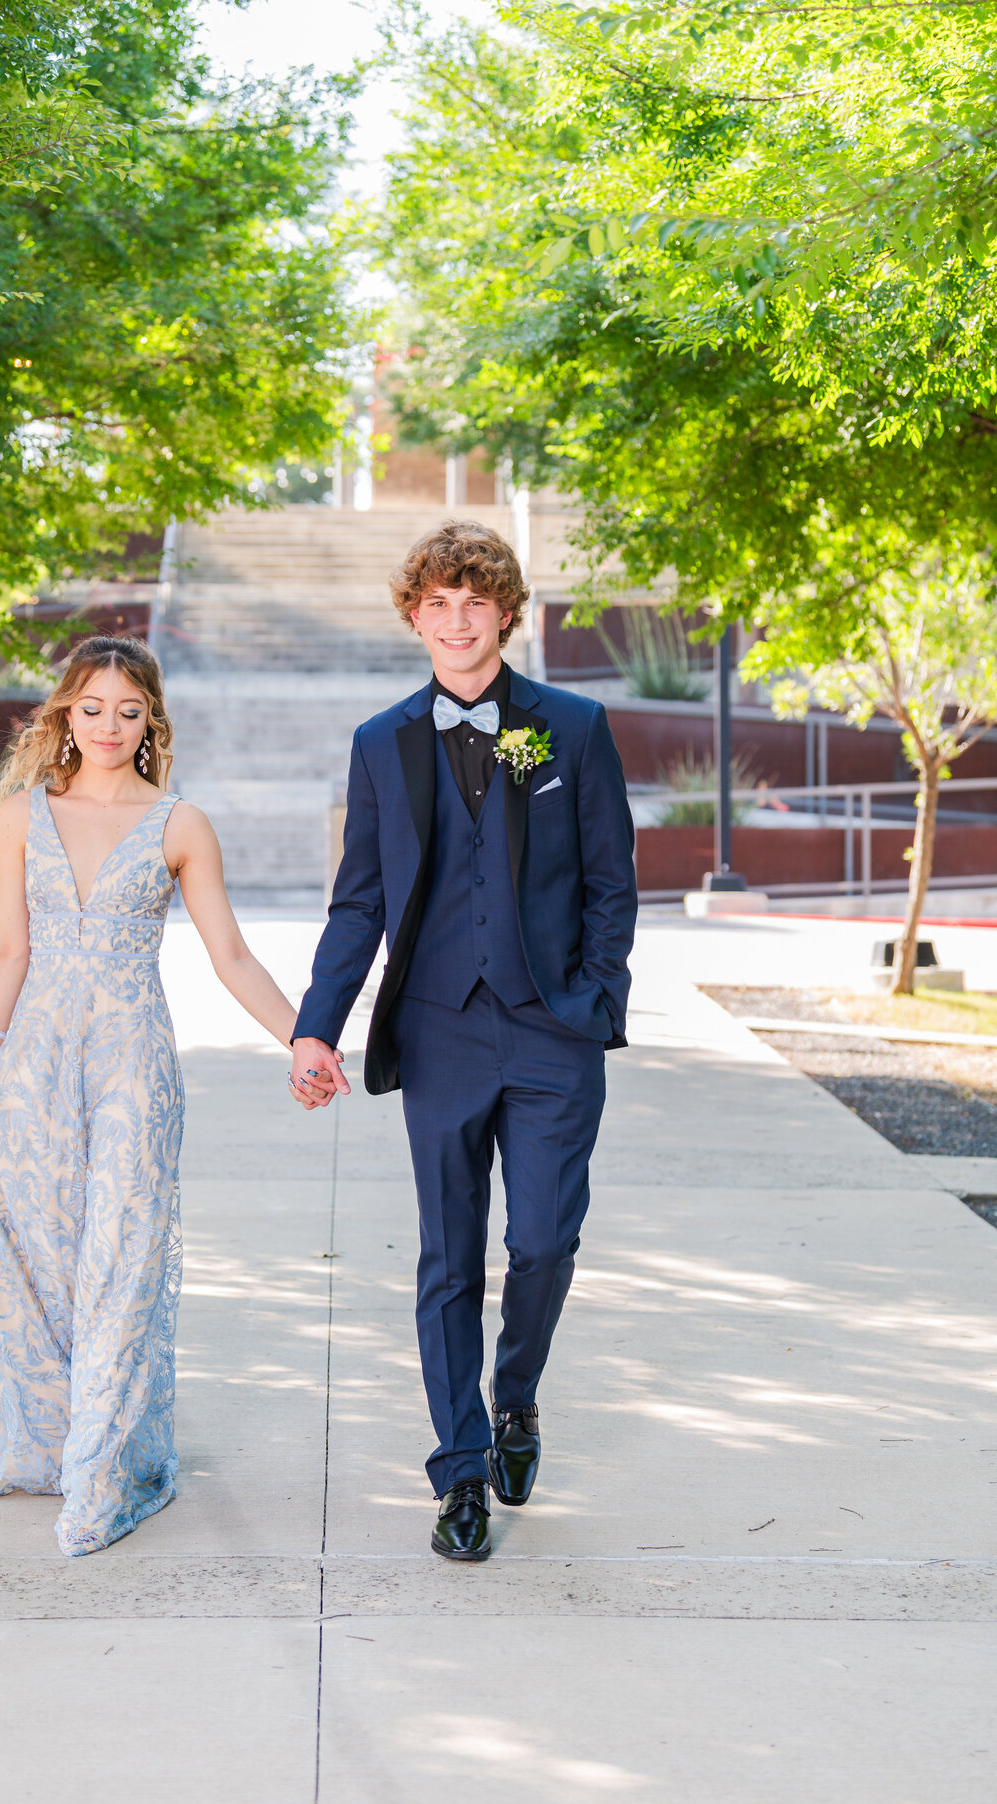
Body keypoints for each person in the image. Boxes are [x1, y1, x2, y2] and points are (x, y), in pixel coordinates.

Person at [289, 521, 637, 1562]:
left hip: (550, 1034)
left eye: (474, 602)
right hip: (438, 1031)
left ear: (506, 613)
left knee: (542, 1241)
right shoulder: (380, 742)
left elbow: (612, 881)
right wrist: (318, 1024)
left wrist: (595, 997)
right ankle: (461, 1469)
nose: (456, 619)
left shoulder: (572, 728)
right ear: (414, 616)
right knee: (449, 1259)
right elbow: (358, 903)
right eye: (436, 602)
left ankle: (515, 1394)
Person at [0, 634, 306, 1557]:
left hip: (134, 1065)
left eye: (127, 710)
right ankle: (52, 1438)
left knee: (123, 1260)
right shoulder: (21, 813)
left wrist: (303, 1039)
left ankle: (103, 1472)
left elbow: (232, 956)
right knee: (43, 1258)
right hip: (34, 1065)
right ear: (65, 712)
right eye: (91, 707)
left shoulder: (180, 825)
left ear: (150, 720)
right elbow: (8, 950)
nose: (107, 726)